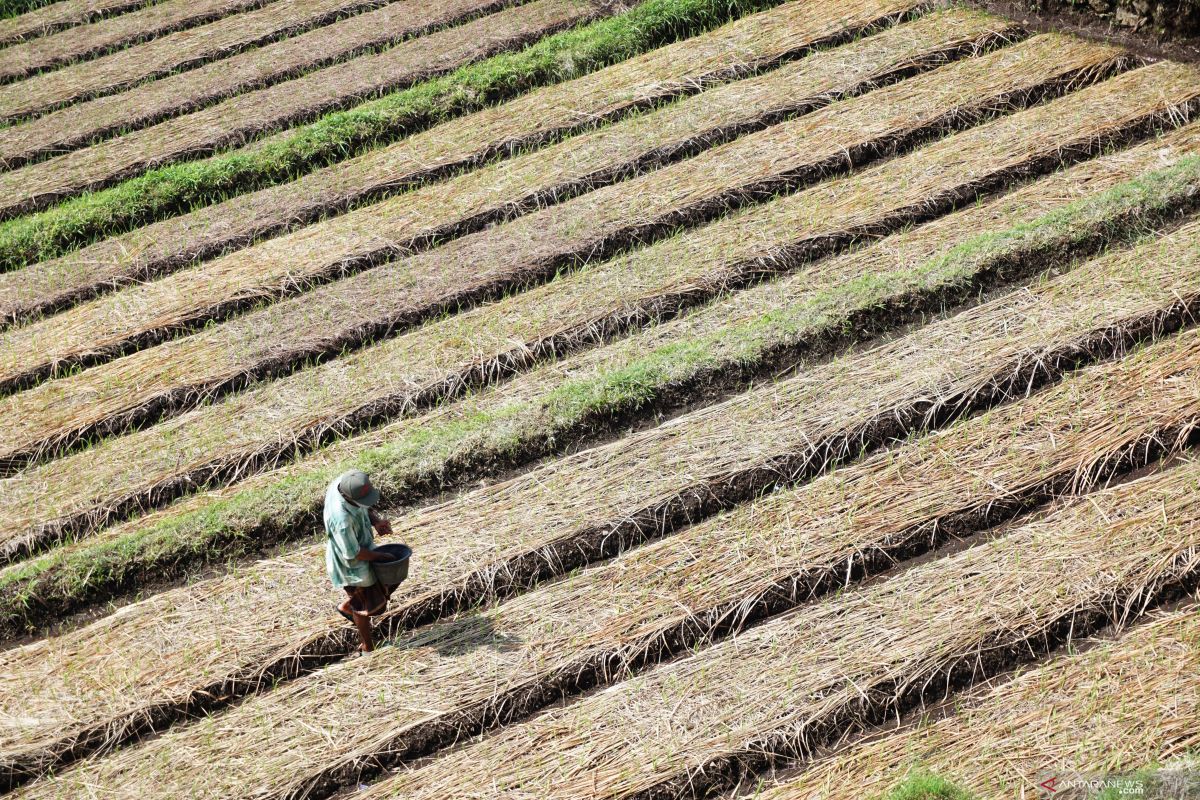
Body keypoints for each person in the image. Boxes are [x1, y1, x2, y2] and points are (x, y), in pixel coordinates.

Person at [324, 469, 397, 653]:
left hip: (363, 545)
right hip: (351, 563)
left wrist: (376, 522)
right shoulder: (340, 519)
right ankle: (367, 648)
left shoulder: (346, 482)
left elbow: (365, 506)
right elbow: (353, 553)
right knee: (364, 606)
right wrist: (380, 556)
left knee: (384, 583)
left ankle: (348, 606)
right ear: (349, 498)